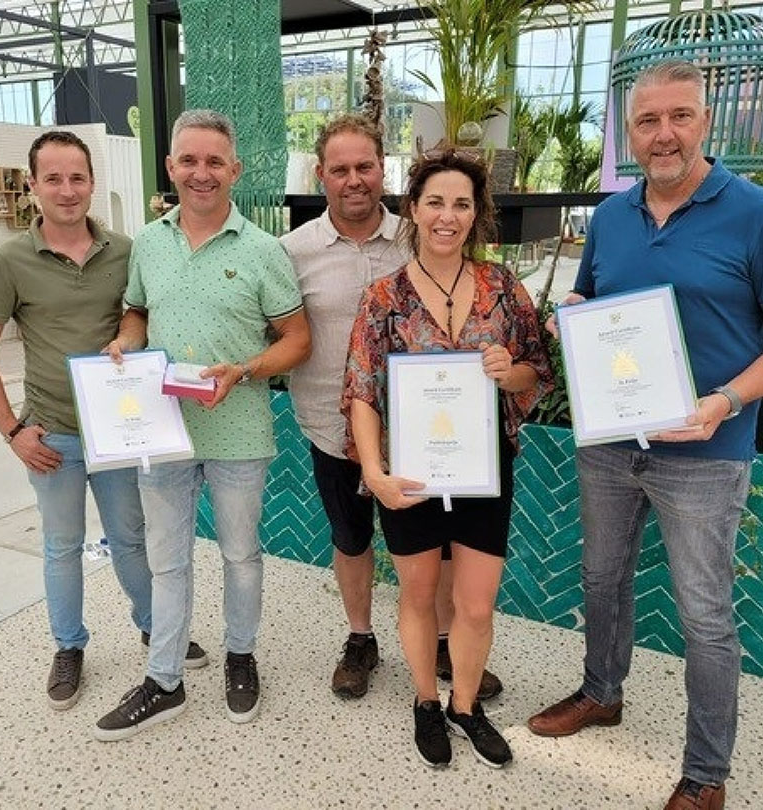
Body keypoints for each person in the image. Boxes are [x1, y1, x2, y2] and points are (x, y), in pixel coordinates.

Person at [526, 61, 763, 810]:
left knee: (705, 616)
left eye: (678, 117)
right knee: (601, 581)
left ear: (705, 121)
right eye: (647, 121)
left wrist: (723, 400)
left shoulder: (760, 215)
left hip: (706, 451)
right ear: (629, 134)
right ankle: (602, 692)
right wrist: (574, 311)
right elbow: (594, 293)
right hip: (612, 443)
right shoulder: (614, 215)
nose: (664, 134)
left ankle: (706, 772)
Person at [0, 131, 206, 715]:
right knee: (62, 545)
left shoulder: (127, 250)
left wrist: (127, 338)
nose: (67, 190)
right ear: (32, 186)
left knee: (130, 538)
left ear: (93, 183)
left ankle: (154, 629)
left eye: (77, 177)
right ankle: (69, 645)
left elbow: (139, 316)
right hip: (52, 434)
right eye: (53, 178)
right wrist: (12, 431)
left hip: (120, 431)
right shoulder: (8, 261)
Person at [95, 109, 311, 741]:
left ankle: (240, 656)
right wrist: (123, 343)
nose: (201, 172)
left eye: (214, 161)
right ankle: (164, 679)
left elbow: (297, 339)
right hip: (162, 428)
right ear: (170, 167)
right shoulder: (149, 243)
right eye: (188, 160)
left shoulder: (263, 250)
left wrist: (243, 369)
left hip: (239, 428)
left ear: (235, 170)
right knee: (168, 560)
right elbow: (136, 313)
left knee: (241, 554)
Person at [282, 114, 504, 702]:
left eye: (365, 166)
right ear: (321, 174)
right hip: (333, 429)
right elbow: (273, 329)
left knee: (440, 547)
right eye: (340, 169)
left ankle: (441, 642)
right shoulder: (291, 251)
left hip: (426, 437)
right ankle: (361, 638)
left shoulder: (424, 230)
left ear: (385, 170)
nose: (354, 179)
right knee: (352, 540)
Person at [342, 149, 553, 769]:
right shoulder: (382, 297)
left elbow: (534, 374)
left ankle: (465, 705)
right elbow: (362, 389)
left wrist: (504, 369)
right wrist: (375, 473)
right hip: (410, 472)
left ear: (476, 214)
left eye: (461, 204)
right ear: (413, 210)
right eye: (435, 202)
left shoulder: (503, 290)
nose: (447, 215)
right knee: (416, 594)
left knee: (477, 603)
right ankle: (427, 701)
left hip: (483, 471)